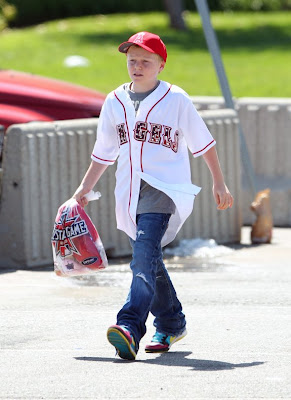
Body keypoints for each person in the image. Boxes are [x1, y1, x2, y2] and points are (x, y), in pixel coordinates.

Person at [73, 31, 233, 361]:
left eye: (146, 61)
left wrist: (220, 182)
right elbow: (104, 152)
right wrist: (85, 187)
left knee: (142, 256)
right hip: (129, 192)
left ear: (161, 65)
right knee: (149, 259)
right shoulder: (114, 101)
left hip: (164, 189)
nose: (137, 66)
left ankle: (130, 325)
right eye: (132, 60)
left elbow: (204, 142)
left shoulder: (176, 100)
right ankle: (172, 322)